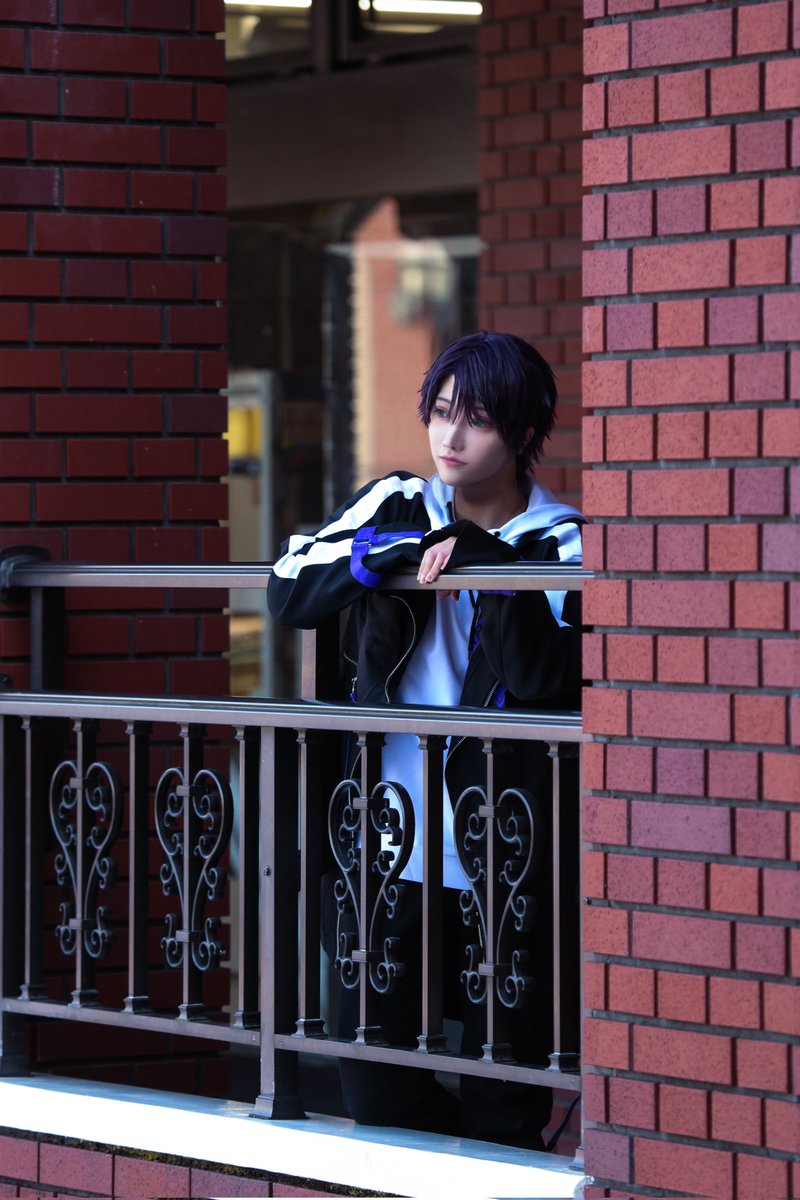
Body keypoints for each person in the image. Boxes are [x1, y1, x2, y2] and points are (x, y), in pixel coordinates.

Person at [268, 331, 583, 1149]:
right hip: (385, 845)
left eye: (476, 419)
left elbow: (548, 674)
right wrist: (391, 554)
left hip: (504, 860)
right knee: (374, 1086)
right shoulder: (400, 503)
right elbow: (288, 585)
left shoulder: (560, 541)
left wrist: (489, 568)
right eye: (441, 413)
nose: (451, 436)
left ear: (523, 432)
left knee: (503, 1101)